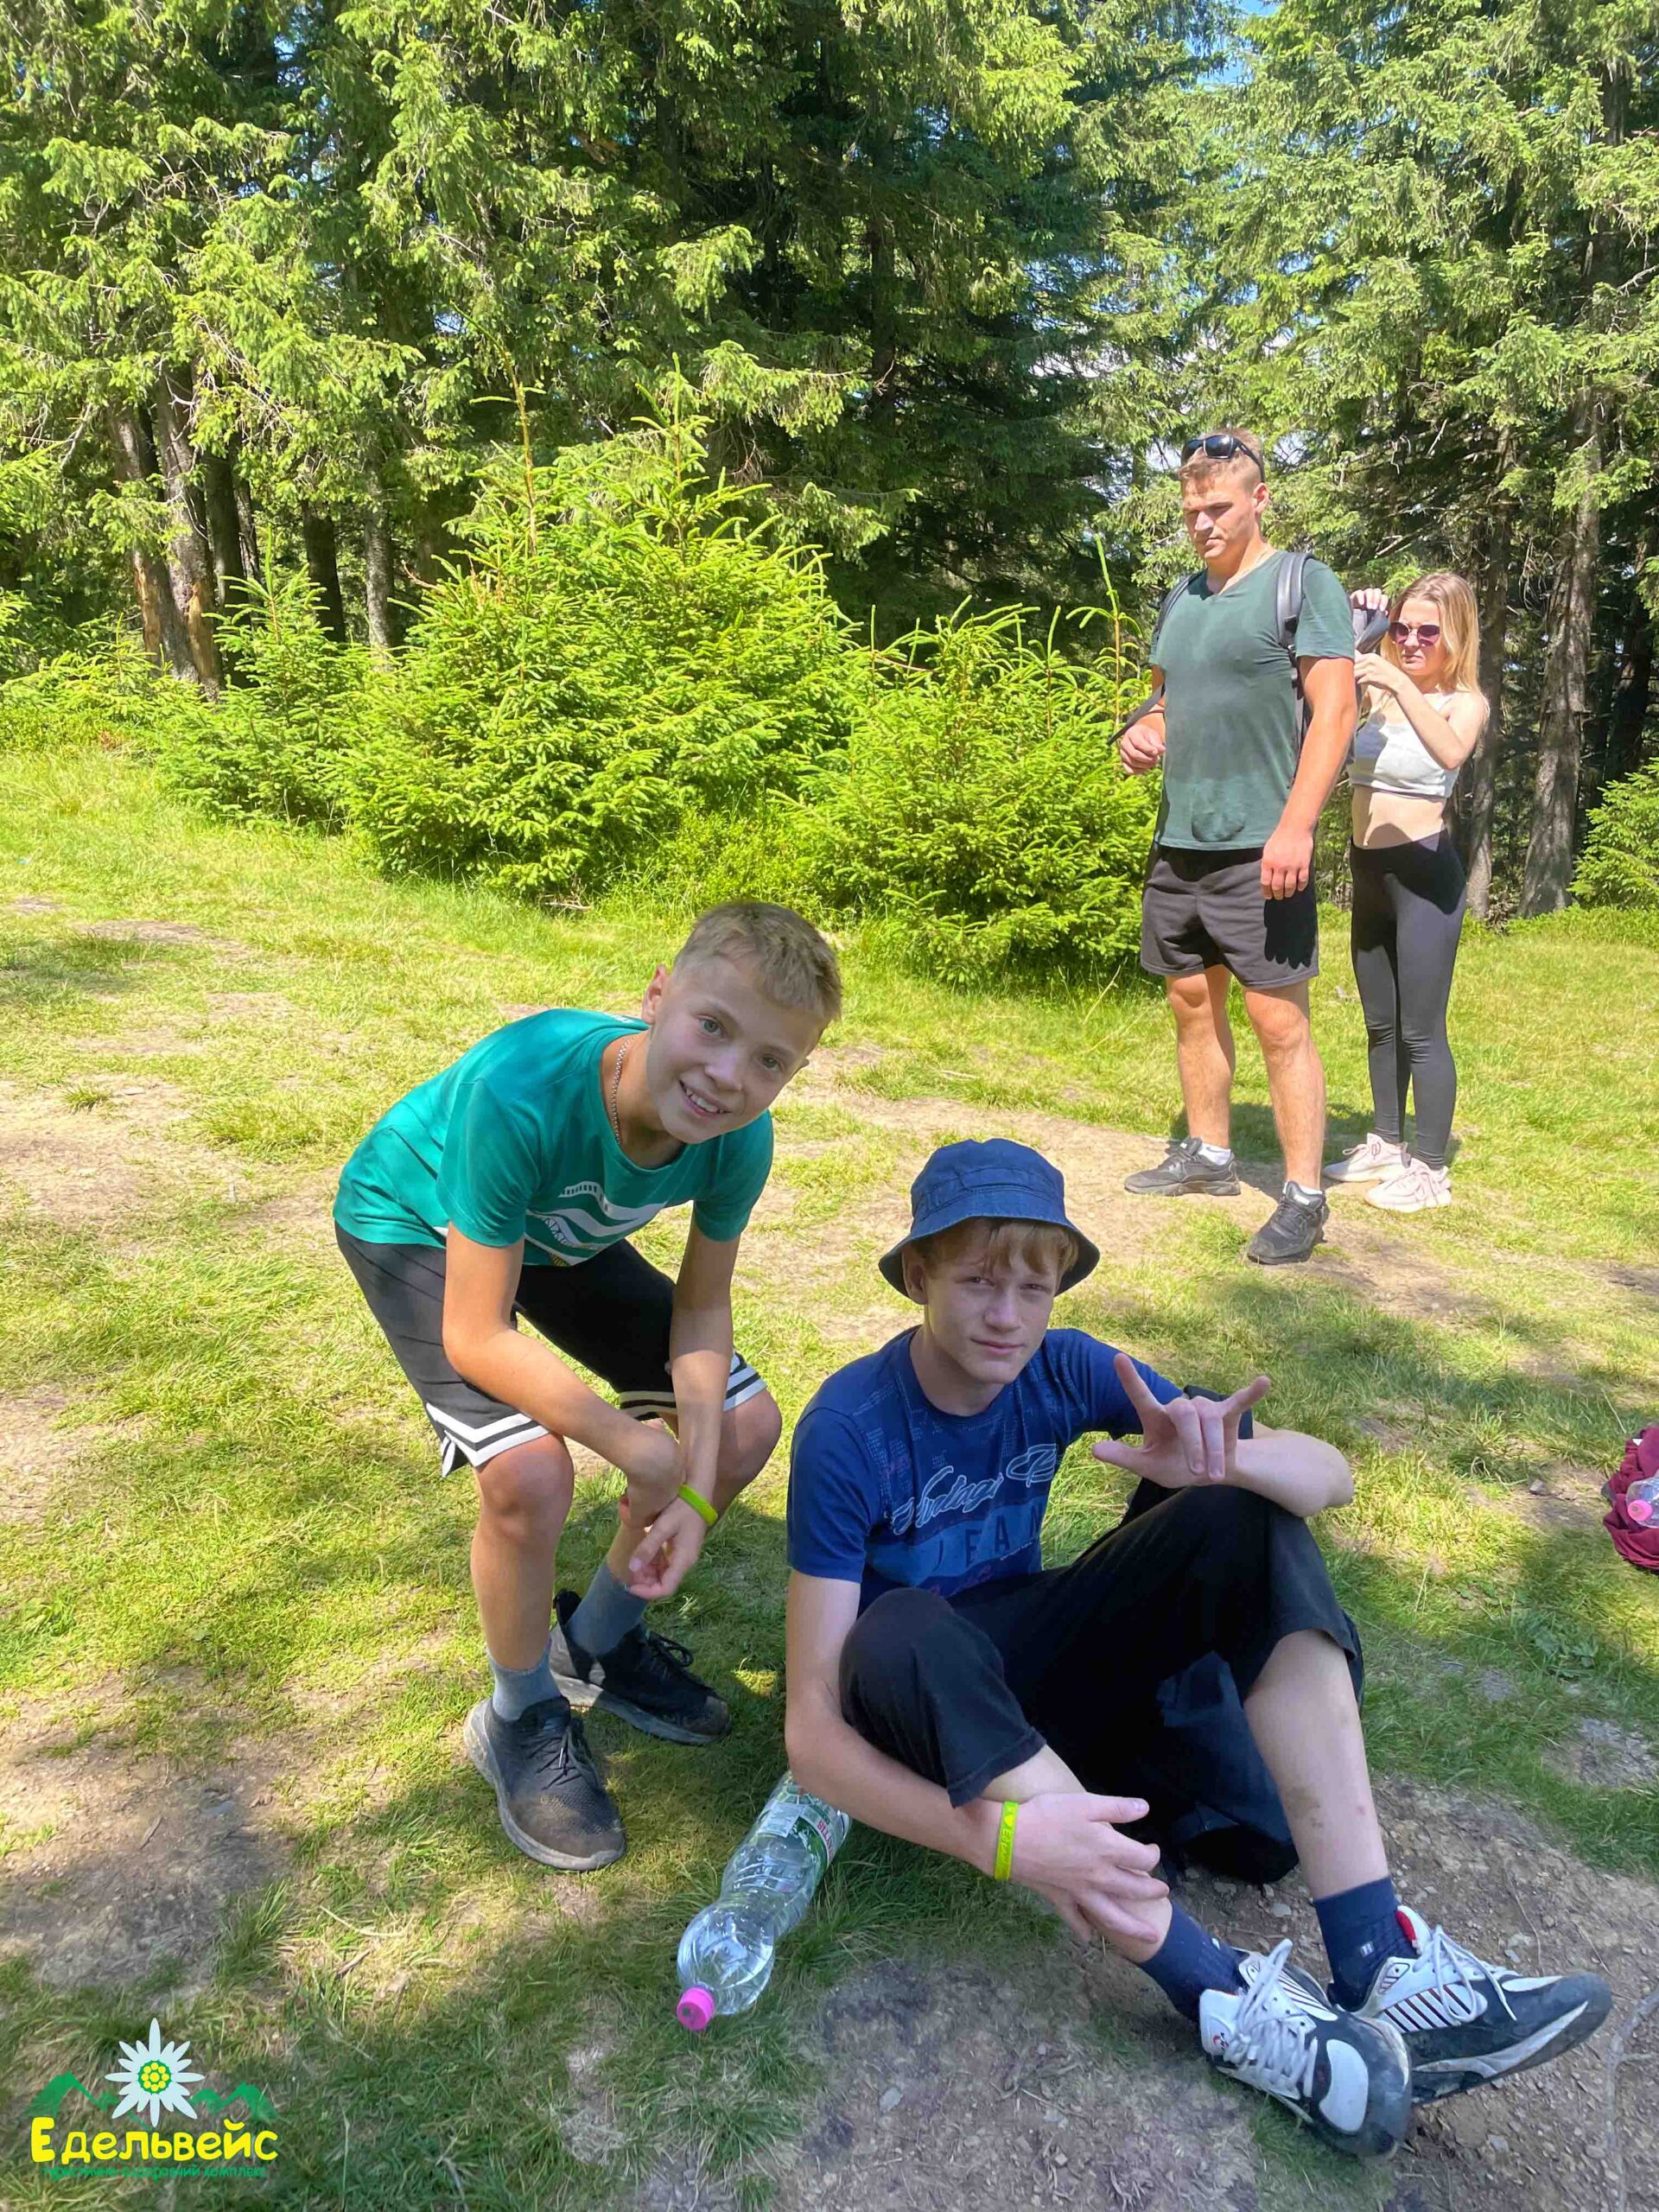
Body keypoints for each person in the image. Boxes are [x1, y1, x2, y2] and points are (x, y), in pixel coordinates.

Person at [784, 1139, 1611, 2159]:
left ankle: (1380, 1961)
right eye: (977, 1282)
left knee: (1241, 1556)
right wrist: (995, 1843)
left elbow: (1331, 1478)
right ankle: (1222, 1995)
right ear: (918, 1274)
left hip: (1027, 1675)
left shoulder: (1065, 1366)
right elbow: (812, 1732)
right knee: (900, 1624)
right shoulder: (850, 1426)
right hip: (914, 1697)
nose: (1007, 1315)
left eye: (1033, 1288)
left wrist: (1220, 1463)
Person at [334, 902, 840, 1872]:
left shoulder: (739, 1140)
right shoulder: (524, 1088)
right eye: (712, 1027)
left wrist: (695, 1483)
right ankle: (519, 1710)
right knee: (529, 1473)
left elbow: (702, 1311)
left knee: (741, 1427)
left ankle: (596, 1644)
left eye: (770, 1061)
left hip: (555, 1234)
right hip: (414, 1220)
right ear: (657, 997)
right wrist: (632, 1442)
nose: (729, 1074)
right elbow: (477, 1334)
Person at [1120, 429, 1357, 1266]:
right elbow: (1164, 701)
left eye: (1218, 507)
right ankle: (1209, 1155)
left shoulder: (1302, 584)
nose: (1203, 524)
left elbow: (1336, 712)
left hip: (1264, 844)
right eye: (1192, 510)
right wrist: (1144, 732)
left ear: (1259, 500)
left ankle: (1304, 1198)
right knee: (1191, 998)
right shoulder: (1181, 598)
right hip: (1180, 837)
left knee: (1276, 1018)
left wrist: (1297, 825)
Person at [1325, 575, 1488, 1212]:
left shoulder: (1463, 702)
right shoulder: (1378, 694)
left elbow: (1449, 753)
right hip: (1369, 873)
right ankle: (1387, 1143)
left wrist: (1397, 681)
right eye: (1402, 628)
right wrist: (1355, 626)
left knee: (1421, 1030)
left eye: (1428, 632)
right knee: (1380, 1022)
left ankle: (1430, 1169)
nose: (1412, 641)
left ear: (1456, 637)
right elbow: (1324, 702)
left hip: (1424, 879)